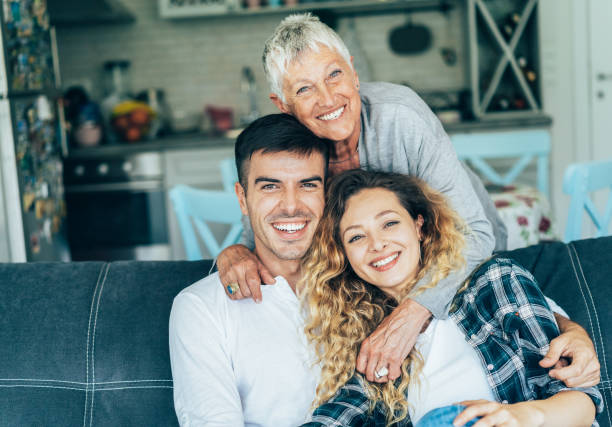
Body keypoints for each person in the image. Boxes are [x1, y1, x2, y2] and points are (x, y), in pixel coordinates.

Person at [215, 14, 600, 388]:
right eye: (304, 89)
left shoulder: (400, 116)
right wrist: (233, 252)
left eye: (334, 74)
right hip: (377, 284)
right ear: (283, 104)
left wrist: (411, 315)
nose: (328, 98)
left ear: (353, 70)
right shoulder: (296, 152)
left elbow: (477, 235)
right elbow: (272, 236)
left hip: (462, 259)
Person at [299, 169, 603, 426]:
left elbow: (583, 401)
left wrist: (518, 417)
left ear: (419, 226)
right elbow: (336, 416)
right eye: (356, 237)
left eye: (389, 223)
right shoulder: (369, 341)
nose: (377, 244)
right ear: (344, 255)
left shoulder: (492, 283)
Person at [169, 114, 329, 425]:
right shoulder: (201, 308)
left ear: (327, 193)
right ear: (243, 199)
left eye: (308, 185)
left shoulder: (363, 283)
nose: (291, 205)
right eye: (271, 187)